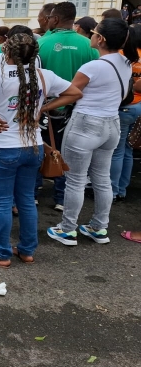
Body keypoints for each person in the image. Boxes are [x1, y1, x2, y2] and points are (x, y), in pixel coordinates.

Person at [0, 33, 81, 267]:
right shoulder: (43, 75)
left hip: (2, 148)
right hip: (33, 147)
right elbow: (74, 93)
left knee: (1, 202)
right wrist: (44, 107)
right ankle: (27, 251)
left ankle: (1, 254)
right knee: (26, 200)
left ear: (6, 51)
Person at [48, 18, 139, 246]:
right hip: (111, 124)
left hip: (86, 124)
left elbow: (71, 92)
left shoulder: (92, 67)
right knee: (102, 178)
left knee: (76, 180)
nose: (90, 35)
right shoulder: (125, 62)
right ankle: (99, 227)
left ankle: (67, 229)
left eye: (93, 33)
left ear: (101, 39)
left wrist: (44, 106)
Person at [38, 2, 99, 212]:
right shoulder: (88, 45)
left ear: (54, 19)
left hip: (45, 108)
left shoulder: (42, 43)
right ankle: (61, 198)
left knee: (40, 147)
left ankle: (34, 192)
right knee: (68, 153)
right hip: (76, 109)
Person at [110, 25, 141, 202]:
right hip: (138, 106)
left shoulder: (123, 56)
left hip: (125, 106)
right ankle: (122, 188)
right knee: (128, 149)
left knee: (117, 151)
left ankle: (112, 191)